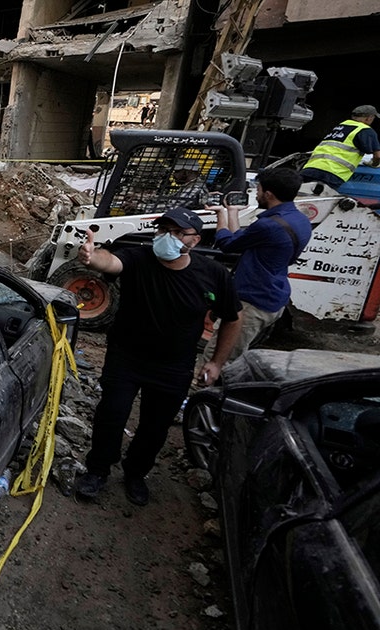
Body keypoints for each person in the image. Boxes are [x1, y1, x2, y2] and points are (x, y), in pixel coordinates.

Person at [74, 207, 242, 506]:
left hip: (173, 367)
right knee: (111, 415)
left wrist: (216, 361)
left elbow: (233, 318)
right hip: (126, 357)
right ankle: (97, 470)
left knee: (155, 426)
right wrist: (91, 255)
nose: (167, 238)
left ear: (194, 240)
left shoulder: (212, 273)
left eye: (177, 233)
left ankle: (136, 473)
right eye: (163, 230)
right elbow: (111, 262)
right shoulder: (139, 258)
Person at [202, 167, 311, 365]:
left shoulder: (268, 225)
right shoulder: (301, 220)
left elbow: (228, 245)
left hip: (253, 301)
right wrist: (232, 212)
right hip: (273, 296)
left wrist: (220, 216)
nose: (257, 194)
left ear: (268, 194)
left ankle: (206, 394)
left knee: (218, 357)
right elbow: (240, 241)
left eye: (259, 190)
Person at [300, 105, 380, 189]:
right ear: (369, 118)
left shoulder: (340, 126)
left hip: (310, 169)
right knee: (323, 200)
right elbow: (378, 156)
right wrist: (374, 164)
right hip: (332, 173)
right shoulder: (365, 130)